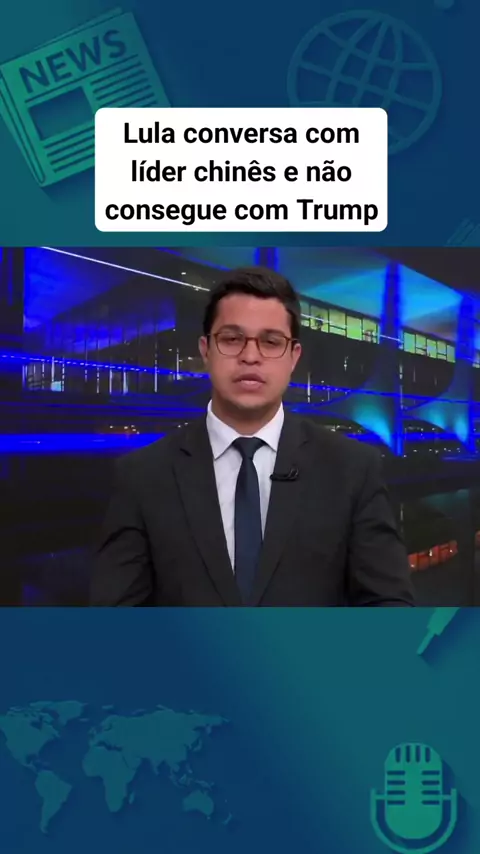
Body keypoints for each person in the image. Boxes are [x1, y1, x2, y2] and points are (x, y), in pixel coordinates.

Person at [90, 266, 415, 607]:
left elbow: (389, 608)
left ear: (294, 357)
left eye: (271, 342)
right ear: (205, 350)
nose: (250, 356)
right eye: (232, 339)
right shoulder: (142, 476)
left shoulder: (353, 470)